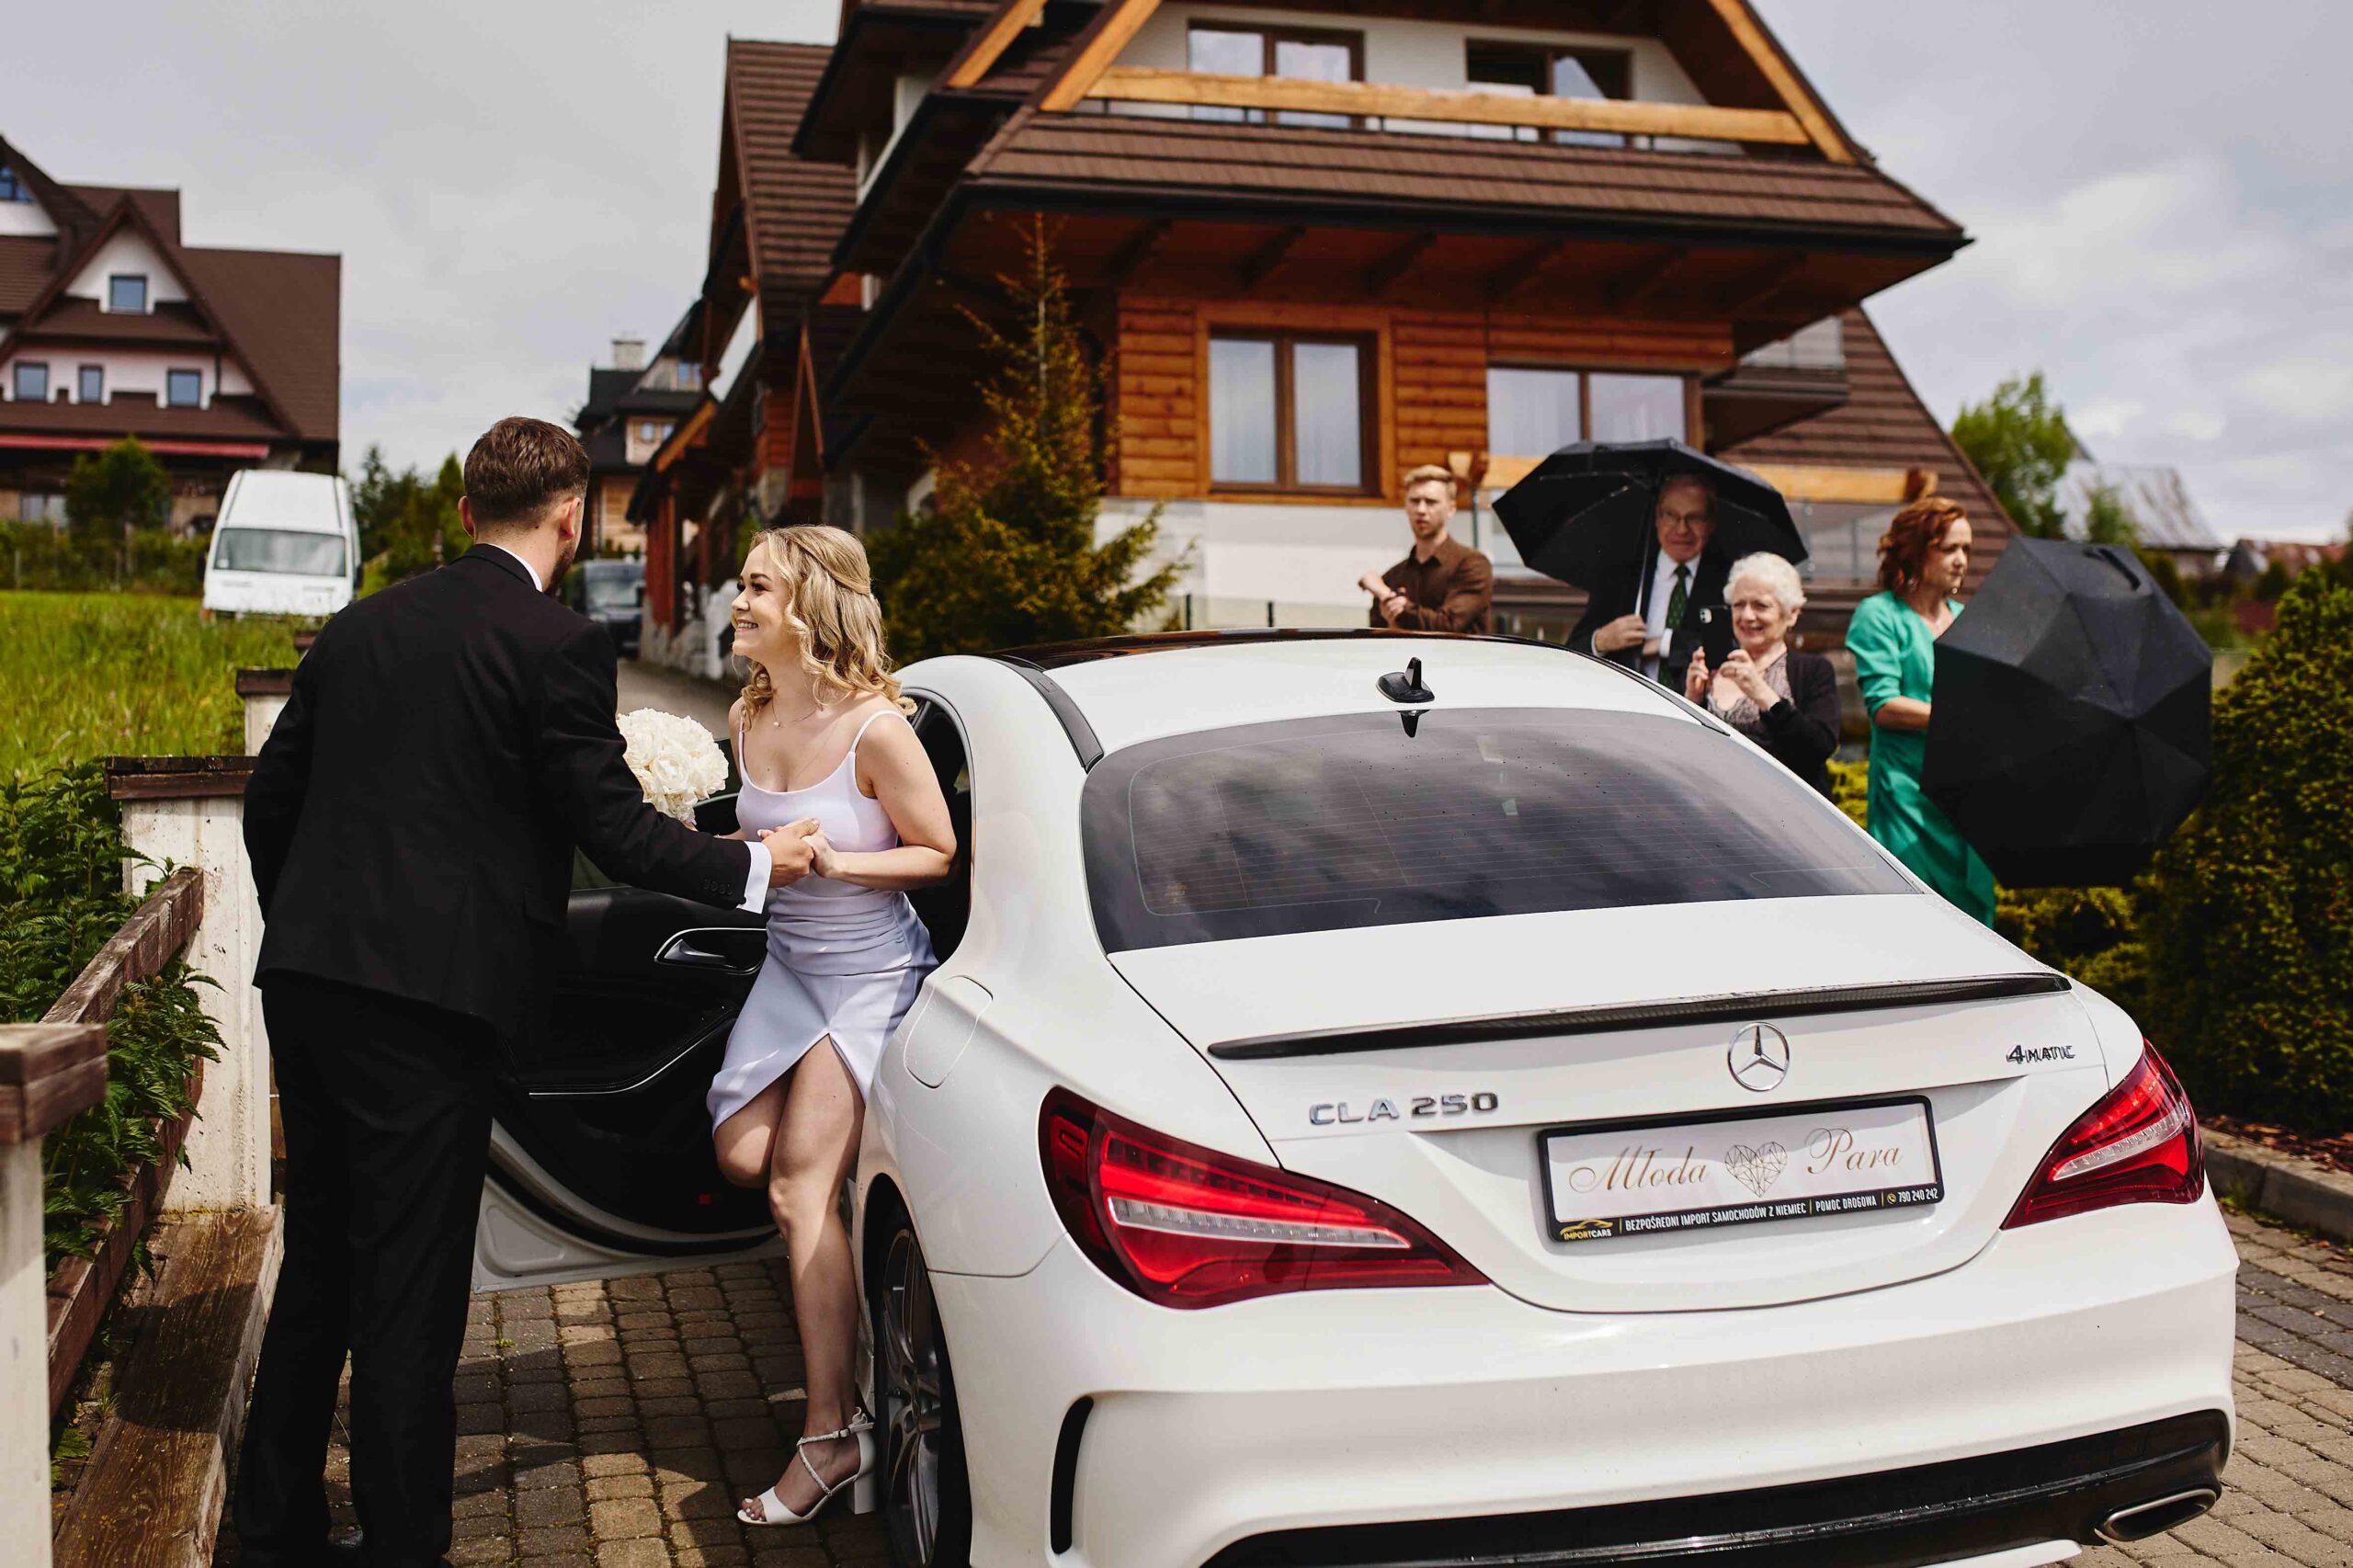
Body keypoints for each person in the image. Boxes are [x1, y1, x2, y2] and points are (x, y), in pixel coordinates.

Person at [238, 417, 813, 1568]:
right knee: (409, 1289)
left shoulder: (358, 626)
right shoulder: (559, 643)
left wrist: (316, 926)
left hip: (305, 984)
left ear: (465, 512)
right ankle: (402, 1547)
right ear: (572, 518)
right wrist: (753, 866)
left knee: (321, 1263)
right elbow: (610, 827)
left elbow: (270, 806)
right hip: (431, 1006)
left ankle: (271, 1531)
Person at [706, 525, 956, 1528]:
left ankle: (832, 1434)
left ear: (810, 605)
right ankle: (847, 1318)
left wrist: (841, 864)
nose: (738, 600)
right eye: (741, 584)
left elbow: (938, 851)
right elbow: (749, 841)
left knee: (794, 1187)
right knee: (741, 1153)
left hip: (867, 974)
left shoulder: (876, 729)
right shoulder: (746, 713)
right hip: (789, 968)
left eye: (757, 586)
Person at [1846, 482, 1997, 925]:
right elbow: (1883, 706)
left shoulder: (1968, 620)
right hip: (1906, 795)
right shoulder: (1880, 615)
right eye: (1949, 548)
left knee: (1973, 920)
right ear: (1916, 552)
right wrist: (1958, 720)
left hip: (1965, 794)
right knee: (1916, 917)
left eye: (1966, 549)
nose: (1961, 560)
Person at [1683, 551, 1840, 797]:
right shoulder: (1708, 669)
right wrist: (1690, 701)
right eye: (1739, 605)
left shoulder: (1813, 670)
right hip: (1715, 803)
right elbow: (1683, 751)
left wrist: (1761, 693)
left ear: (1792, 614)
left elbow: (1819, 747)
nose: (1747, 616)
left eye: (1761, 606)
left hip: (1783, 808)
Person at [1567, 473, 1731, 689]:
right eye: (1671, 516)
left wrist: (1664, 643)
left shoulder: (1728, 581)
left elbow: (1728, 648)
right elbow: (1572, 651)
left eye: (1694, 518)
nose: (1682, 529)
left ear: (1710, 523)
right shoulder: (1621, 578)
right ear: (1657, 518)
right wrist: (1601, 640)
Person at [1357, 463, 1493, 633]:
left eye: (1431, 502)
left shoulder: (1473, 564)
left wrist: (1388, 596)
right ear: (1406, 507)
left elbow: (1448, 625)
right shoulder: (1394, 576)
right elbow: (1376, 638)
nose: (1421, 510)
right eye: (1414, 501)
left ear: (1451, 508)